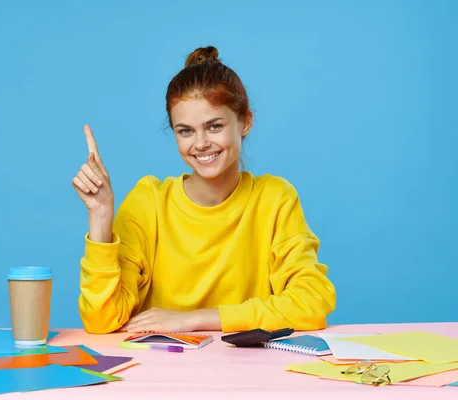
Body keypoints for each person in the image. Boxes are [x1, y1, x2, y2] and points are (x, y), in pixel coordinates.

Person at [71, 46, 336, 334]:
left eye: (214, 126)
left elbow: (313, 302)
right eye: (185, 131)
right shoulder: (150, 201)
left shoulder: (275, 199)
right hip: (161, 371)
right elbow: (101, 321)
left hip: (250, 371)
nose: (200, 143)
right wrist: (100, 217)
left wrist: (194, 319)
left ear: (245, 122)